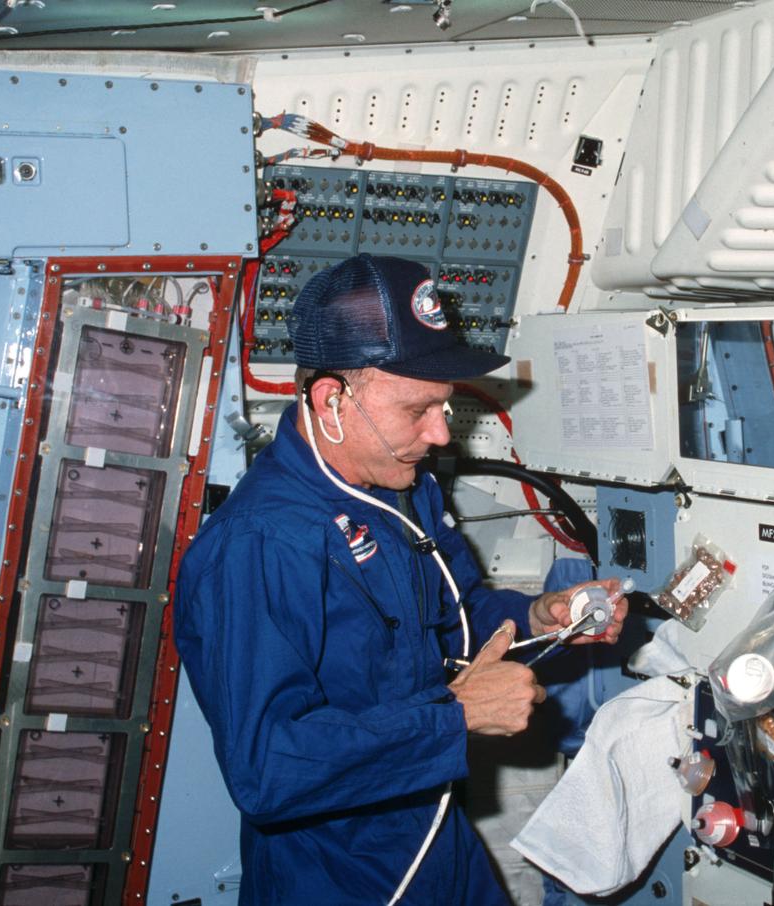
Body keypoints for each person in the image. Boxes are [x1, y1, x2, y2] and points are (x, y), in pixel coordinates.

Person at [174, 253, 627, 905]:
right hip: (341, 876)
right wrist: (456, 718)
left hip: (439, 841)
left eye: (444, 406)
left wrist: (540, 617)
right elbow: (266, 770)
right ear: (331, 401)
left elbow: (458, 616)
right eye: (418, 409)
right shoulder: (260, 544)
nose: (440, 434)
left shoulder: (401, 491)